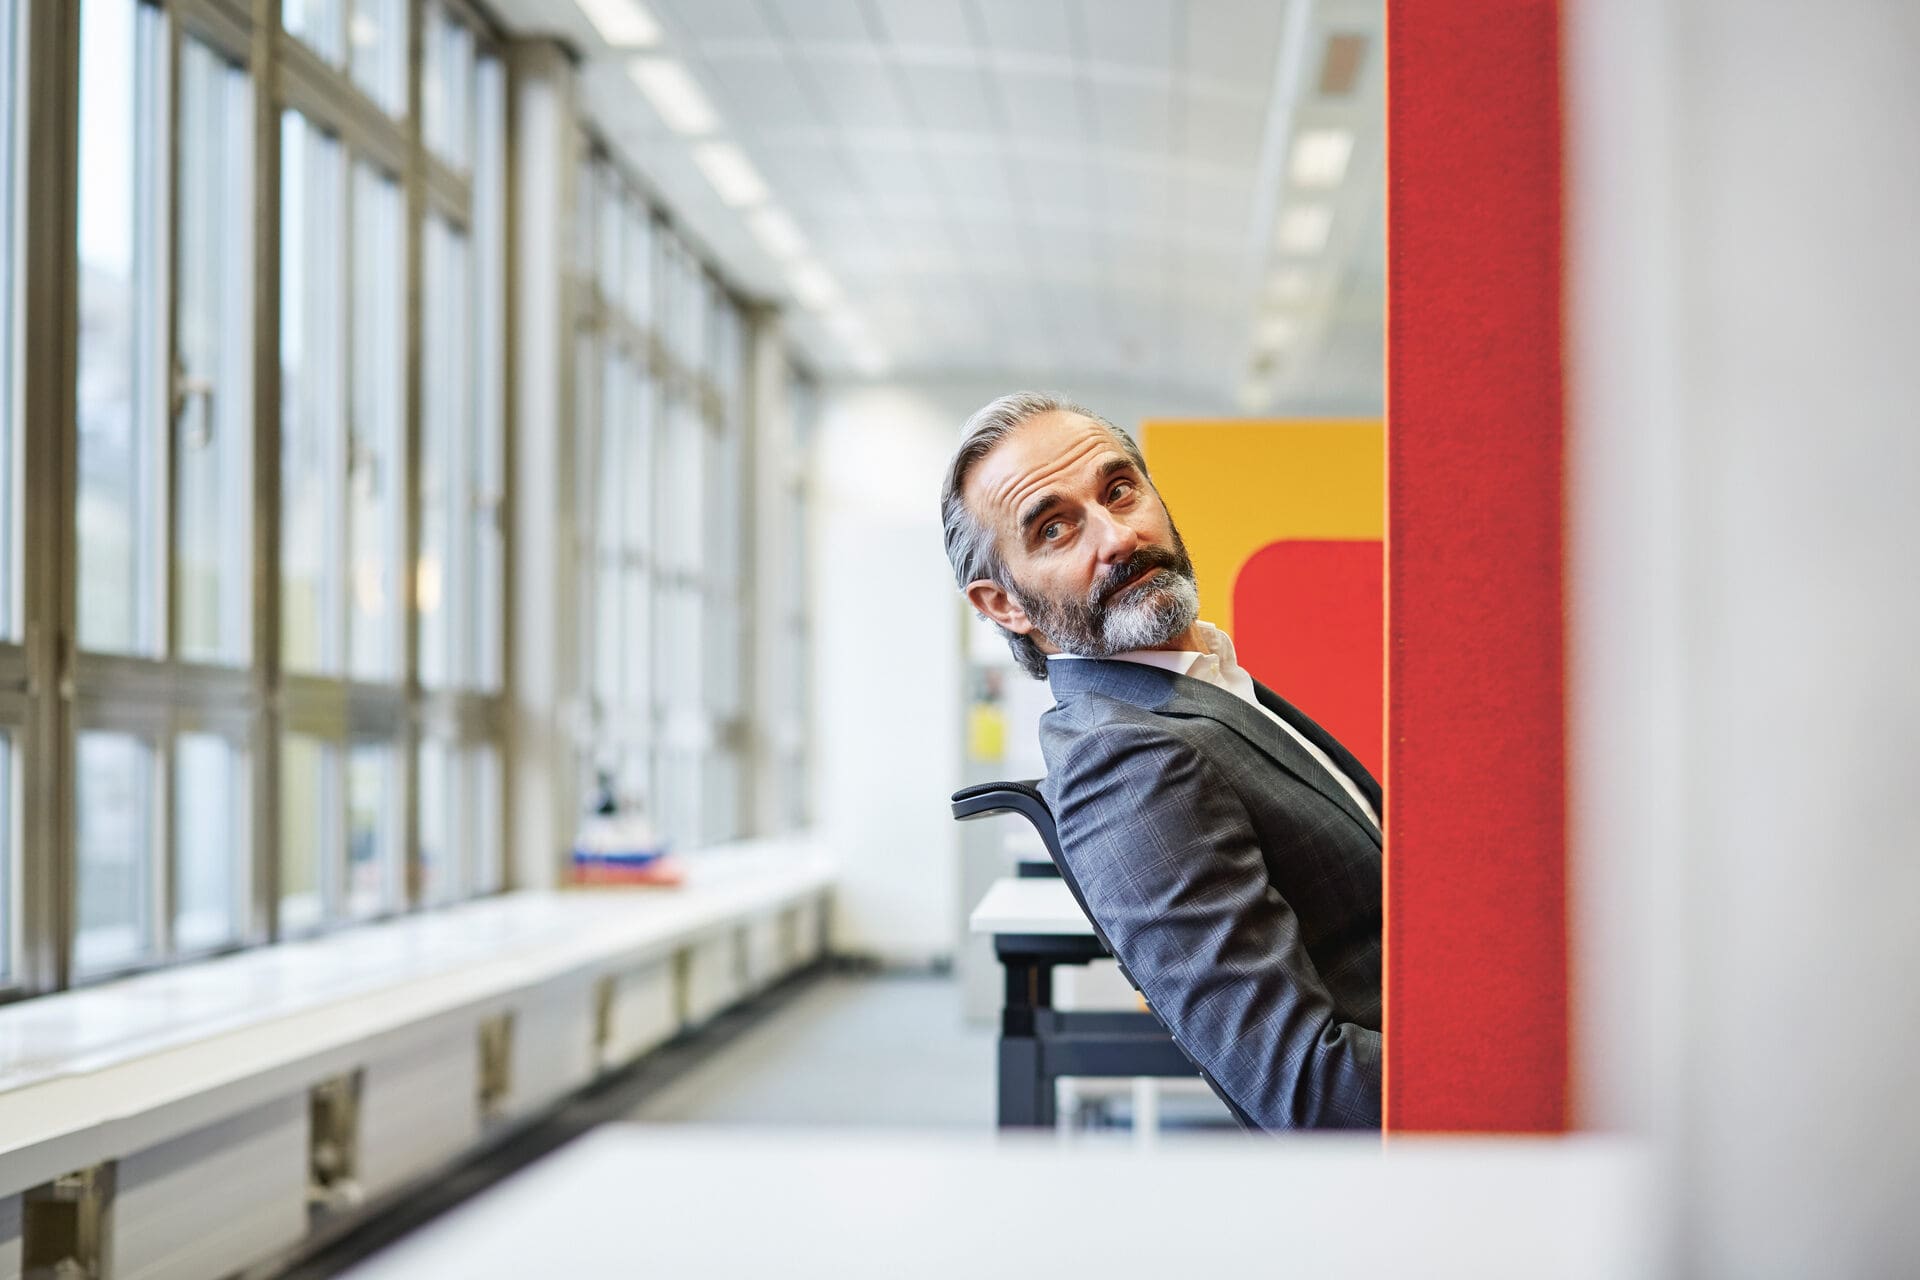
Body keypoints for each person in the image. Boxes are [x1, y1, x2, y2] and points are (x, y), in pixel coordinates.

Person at [940, 392, 1382, 1130]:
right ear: (1004, 605)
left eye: (1119, 490)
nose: (1117, 536)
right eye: (1055, 529)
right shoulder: (1125, 760)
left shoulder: (1194, 677)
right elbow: (1307, 1088)